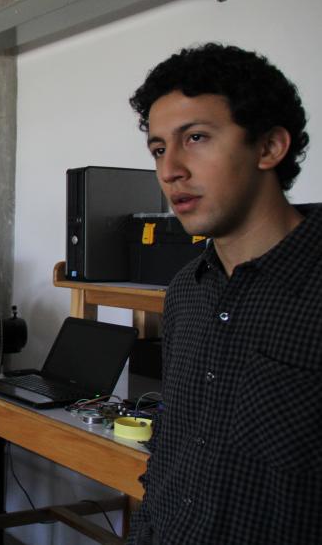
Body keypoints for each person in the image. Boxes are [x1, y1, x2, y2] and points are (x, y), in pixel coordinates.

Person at [126, 43, 320, 543]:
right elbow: (172, 449)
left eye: (195, 138)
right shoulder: (186, 293)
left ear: (269, 147)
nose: (170, 170)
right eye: (158, 148)